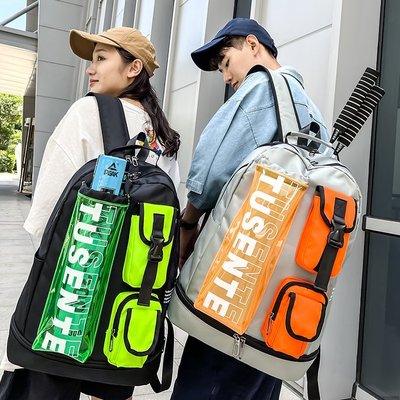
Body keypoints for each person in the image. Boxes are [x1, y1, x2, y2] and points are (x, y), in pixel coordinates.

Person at [0, 26, 180, 400]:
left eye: (101, 58)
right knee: (108, 385)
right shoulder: (162, 135)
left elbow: (47, 210)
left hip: (72, 288)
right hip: (128, 297)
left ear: (133, 68)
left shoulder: (88, 111)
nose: (90, 68)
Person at [171, 17, 329, 400]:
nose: (226, 77)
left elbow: (211, 168)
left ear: (253, 45)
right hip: (284, 288)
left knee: (208, 381)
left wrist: (188, 224)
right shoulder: (309, 109)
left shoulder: (262, 87)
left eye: (226, 62)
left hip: (239, 275)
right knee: (258, 379)